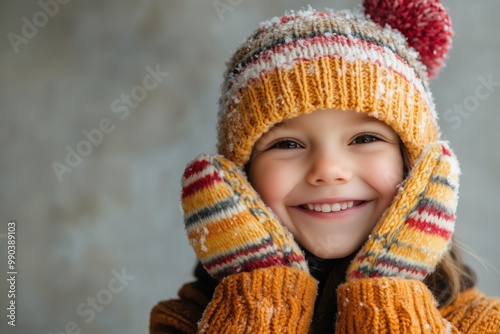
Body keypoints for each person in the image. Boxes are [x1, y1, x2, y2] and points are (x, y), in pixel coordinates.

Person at [150, 0, 500, 332]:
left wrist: (388, 291)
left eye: (364, 139)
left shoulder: (483, 323)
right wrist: (261, 289)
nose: (329, 169)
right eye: (287, 144)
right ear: (239, 179)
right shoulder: (183, 321)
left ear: (418, 167)